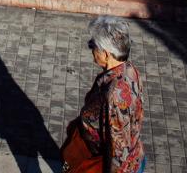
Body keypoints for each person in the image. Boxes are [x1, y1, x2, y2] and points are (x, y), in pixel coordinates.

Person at [61, 16, 146, 173]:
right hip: (132, 155)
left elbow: (118, 147)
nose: (91, 50)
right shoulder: (129, 69)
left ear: (106, 54)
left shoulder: (115, 94)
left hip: (107, 164)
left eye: (92, 45)